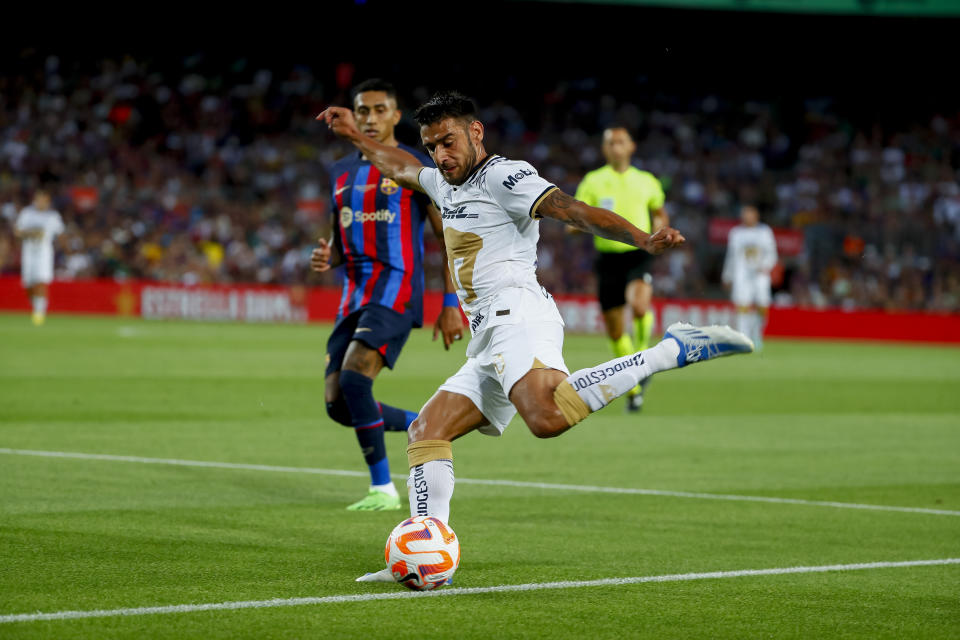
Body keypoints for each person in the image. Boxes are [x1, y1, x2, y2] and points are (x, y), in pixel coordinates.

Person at [317, 91, 753, 582]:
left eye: (449, 141)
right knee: (427, 431)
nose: (441, 154)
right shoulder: (442, 181)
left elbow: (572, 210)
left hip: (518, 314)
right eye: (433, 145)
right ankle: (424, 554)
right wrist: (355, 136)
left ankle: (672, 349)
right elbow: (398, 164)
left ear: (476, 132)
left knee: (546, 417)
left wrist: (642, 238)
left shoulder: (504, 175)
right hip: (487, 333)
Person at [310, 79, 464, 512]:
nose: (371, 118)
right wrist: (328, 255)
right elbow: (340, 240)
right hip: (352, 298)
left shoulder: (415, 166)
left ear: (396, 116)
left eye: (380, 110)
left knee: (357, 377)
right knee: (339, 404)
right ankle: (422, 423)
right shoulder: (341, 173)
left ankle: (383, 487)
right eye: (363, 111)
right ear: (355, 115)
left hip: (396, 293)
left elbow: (446, 237)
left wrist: (451, 305)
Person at [574, 127, 669, 412]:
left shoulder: (647, 181)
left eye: (620, 142)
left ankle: (643, 357)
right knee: (615, 331)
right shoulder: (593, 181)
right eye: (611, 143)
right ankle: (635, 388)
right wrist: (573, 227)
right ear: (605, 149)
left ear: (631, 147)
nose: (616, 147)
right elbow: (577, 213)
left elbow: (659, 211)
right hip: (608, 258)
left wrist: (660, 229)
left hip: (638, 253)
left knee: (640, 306)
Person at [721, 205, 778, 350]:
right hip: (741, 275)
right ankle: (743, 337)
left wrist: (765, 265)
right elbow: (731, 256)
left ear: (756, 216)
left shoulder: (764, 232)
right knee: (742, 306)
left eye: (750, 214)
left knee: (762, 305)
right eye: (745, 214)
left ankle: (757, 334)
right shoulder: (736, 233)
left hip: (760, 275)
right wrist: (727, 275)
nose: (747, 217)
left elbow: (772, 254)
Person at [14, 190, 64, 326]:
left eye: (43, 200)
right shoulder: (27, 213)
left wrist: (65, 251)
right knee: (28, 283)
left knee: (41, 280)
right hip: (28, 253)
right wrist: (32, 233)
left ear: (48, 201)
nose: (40, 202)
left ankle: (40, 312)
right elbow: (17, 231)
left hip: (44, 253)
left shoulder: (53, 216)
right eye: (38, 199)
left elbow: (60, 234)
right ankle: (36, 306)